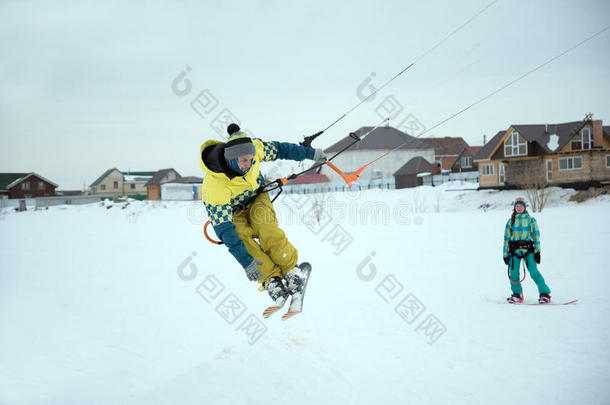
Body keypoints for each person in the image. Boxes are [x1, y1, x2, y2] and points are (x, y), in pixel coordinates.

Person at [200, 123, 326, 306]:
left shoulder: (255, 149)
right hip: (232, 212)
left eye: (251, 159)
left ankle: (291, 269)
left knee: (265, 226)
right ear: (231, 160)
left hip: (256, 197)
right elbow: (225, 229)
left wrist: (309, 154)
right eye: (244, 160)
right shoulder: (214, 186)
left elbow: (281, 149)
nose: (249, 164)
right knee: (242, 237)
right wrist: (245, 261)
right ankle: (271, 279)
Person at [503, 197, 551, 304]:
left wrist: (537, 252)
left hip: (528, 251)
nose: (519, 208)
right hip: (514, 251)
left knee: (534, 272)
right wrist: (505, 255)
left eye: (521, 206)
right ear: (514, 208)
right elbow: (506, 239)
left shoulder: (531, 221)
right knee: (513, 273)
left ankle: (544, 293)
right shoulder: (510, 222)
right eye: (517, 206)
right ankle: (517, 294)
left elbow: (536, 237)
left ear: (524, 207)